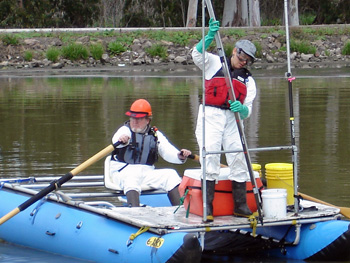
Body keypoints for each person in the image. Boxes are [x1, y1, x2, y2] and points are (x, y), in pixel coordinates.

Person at [191, 18, 257, 222]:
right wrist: (209, 36)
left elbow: (249, 110)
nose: (243, 61)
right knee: (210, 157)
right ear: (235, 51)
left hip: (233, 118)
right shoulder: (214, 63)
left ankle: (240, 206)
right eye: (241, 56)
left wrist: (242, 109)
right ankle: (206, 207)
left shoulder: (249, 81)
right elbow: (196, 54)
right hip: (211, 115)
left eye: (248, 59)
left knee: (238, 157)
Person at [108, 99, 192, 207]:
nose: (135, 122)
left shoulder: (155, 134)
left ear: (148, 120)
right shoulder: (125, 130)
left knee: (170, 174)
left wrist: (179, 155)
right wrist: (122, 140)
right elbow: (116, 140)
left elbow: (167, 151)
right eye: (133, 118)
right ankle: (134, 213)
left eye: (139, 119)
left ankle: (180, 211)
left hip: (146, 172)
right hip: (123, 171)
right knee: (131, 177)